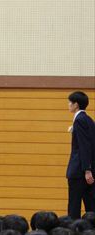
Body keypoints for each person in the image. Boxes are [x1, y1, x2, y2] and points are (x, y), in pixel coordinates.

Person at [66, 91, 95, 219]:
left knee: (74, 208)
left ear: (76, 104)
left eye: (70, 102)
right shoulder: (88, 120)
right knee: (91, 208)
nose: (68, 105)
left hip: (79, 172)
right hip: (88, 171)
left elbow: (84, 146)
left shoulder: (79, 120)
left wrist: (87, 170)